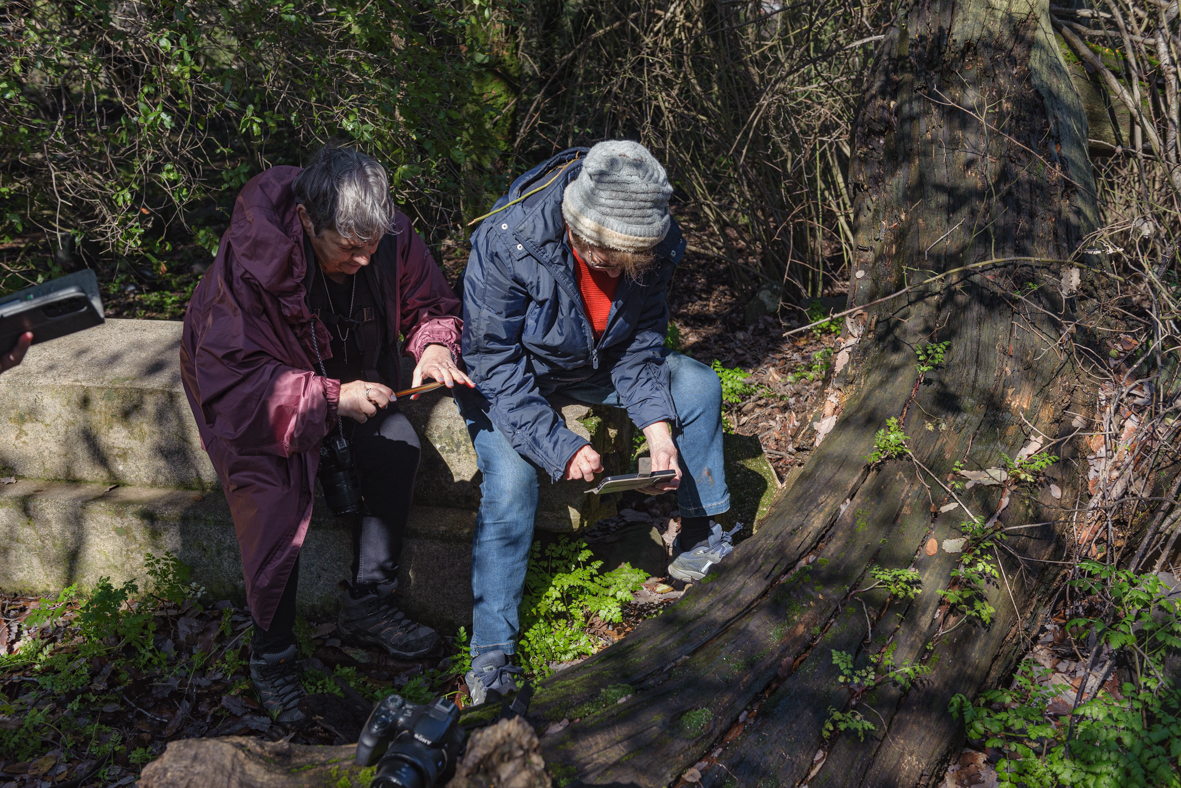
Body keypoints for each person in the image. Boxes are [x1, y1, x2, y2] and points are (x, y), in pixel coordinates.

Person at [180, 145, 472, 723]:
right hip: (261, 399)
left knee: (397, 447)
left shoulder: (386, 234)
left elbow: (430, 301)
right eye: (349, 249)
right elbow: (233, 377)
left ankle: (371, 601)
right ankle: (274, 656)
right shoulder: (252, 260)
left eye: (373, 247)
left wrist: (435, 342)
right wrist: (334, 397)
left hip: (352, 377)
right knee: (274, 498)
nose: (365, 261)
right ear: (309, 221)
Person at [458, 140, 738, 703]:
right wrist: (556, 443)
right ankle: (491, 654)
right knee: (512, 485)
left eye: (628, 258)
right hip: (518, 375)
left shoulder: (657, 242)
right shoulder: (508, 239)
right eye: (607, 255)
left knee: (698, 386)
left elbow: (641, 342)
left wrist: (657, 426)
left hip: (598, 363)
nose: (616, 267)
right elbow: (493, 360)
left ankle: (702, 538)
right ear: (577, 226)